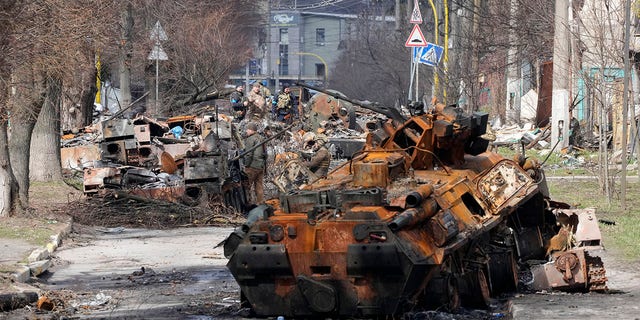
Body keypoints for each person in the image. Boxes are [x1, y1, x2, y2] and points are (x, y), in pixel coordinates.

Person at [243, 122, 266, 203]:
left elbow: (248, 154)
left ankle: (248, 204)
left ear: (251, 130)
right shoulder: (261, 138)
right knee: (259, 186)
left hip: (252, 166)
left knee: (247, 186)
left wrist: (246, 165)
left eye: (247, 130)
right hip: (261, 166)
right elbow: (265, 153)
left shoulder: (250, 139)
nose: (246, 131)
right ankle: (260, 203)